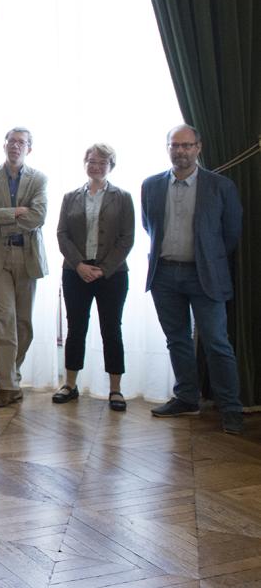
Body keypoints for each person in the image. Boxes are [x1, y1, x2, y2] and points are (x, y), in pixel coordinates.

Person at [142, 125, 244, 434]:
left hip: (206, 276)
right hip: (164, 276)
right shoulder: (151, 185)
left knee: (216, 343)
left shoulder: (220, 186)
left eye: (187, 145)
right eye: (175, 145)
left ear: (198, 148)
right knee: (177, 340)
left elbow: (230, 234)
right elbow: (150, 226)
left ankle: (231, 409)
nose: (181, 151)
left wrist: (206, 258)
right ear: (168, 148)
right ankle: (186, 397)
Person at [0, 127, 48, 408]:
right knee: (4, 321)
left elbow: (38, 216)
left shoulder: (39, 179)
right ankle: (6, 386)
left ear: (29, 148)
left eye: (21, 142)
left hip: (27, 258)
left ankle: (12, 376)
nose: (15, 146)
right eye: (11, 141)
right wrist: (16, 212)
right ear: (4, 145)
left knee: (23, 324)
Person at [54, 143, 135, 410]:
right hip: (75, 272)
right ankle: (70, 384)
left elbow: (127, 239)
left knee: (111, 329)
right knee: (76, 328)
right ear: (85, 163)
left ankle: (115, 389)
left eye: (102, 162)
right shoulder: (70, 196)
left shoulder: (123, 197)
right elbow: (62, 234)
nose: (96, 166)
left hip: (111, 274)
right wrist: (78, 265)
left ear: (111, 165)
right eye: (91, 161)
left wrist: (103, 268)